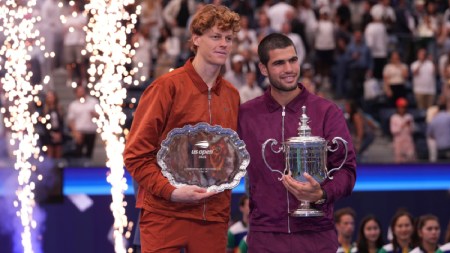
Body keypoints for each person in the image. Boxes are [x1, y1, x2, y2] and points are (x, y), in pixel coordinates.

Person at [123, 5, 241, 253]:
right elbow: (135, 155)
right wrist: (171, 192)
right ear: (196, 39)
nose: (224, 44)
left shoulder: (232, 95)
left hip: (213, 216)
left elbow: (231, 157)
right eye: (216, 36)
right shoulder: (166, 87)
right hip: (165, 213)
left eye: (229, 38)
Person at [237, 33, 356, 252]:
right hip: (265, 236)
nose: (289, 69)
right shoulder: (246, 115)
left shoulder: (326, 111)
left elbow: (347, 171)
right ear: (263, 69)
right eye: (279, 63)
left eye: (293, 60)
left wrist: (322, 193)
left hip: (317, 234)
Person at [67, 85, 99, 159]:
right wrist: (75, 132)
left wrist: (95, 114)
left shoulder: (93, 102)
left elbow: (100, 116)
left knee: (89, 153)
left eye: (82, 91)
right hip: (79, 131)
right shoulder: (73, 105)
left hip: (91, 131)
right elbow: (71, 120)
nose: (81, 93)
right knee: (78, 153)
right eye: (79, 91)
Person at [39, 90, 65, 159]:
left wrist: (59, 133)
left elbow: (62, 123)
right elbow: (44, 125)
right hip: (48, 134)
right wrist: (51, 133)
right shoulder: (44, 110)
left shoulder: (59, 109)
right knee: (50, 153)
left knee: (58, 153)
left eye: (52, 97)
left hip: (58, 132)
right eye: (49, 97)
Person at [390, 97, 416, 163]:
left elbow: (412, 130)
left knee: (411, 160)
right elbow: (393, 131)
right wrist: (403, 125)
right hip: (398, 141)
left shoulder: (409, 116)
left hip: (408, 141)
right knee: (398, 161)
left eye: (404, 107)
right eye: (400, 107)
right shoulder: (394, 117)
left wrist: (409, 126)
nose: (402, 109)